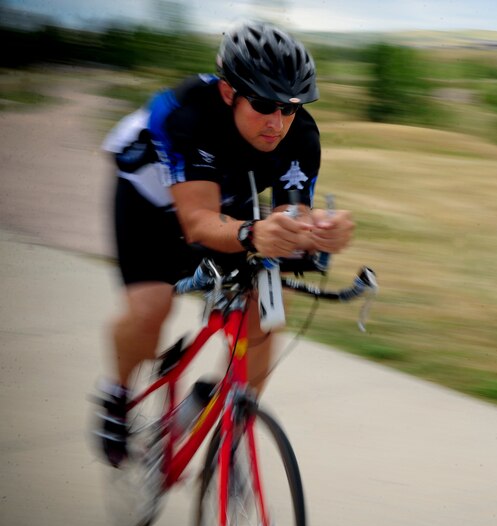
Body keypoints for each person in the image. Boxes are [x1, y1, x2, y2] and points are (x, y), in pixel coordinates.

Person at [96, 22, 354, 467]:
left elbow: (289, 218)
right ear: (228, 91)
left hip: (226, 203)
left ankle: (235, 424)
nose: (277, 122)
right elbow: (197, 222)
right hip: (149, 204)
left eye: (290, 108)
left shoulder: (301, 136)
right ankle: (116, 395)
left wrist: (318, 232)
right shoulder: (186, 112)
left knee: (269, 307)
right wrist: (253, 233)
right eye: (265, 104)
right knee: (151, 309)